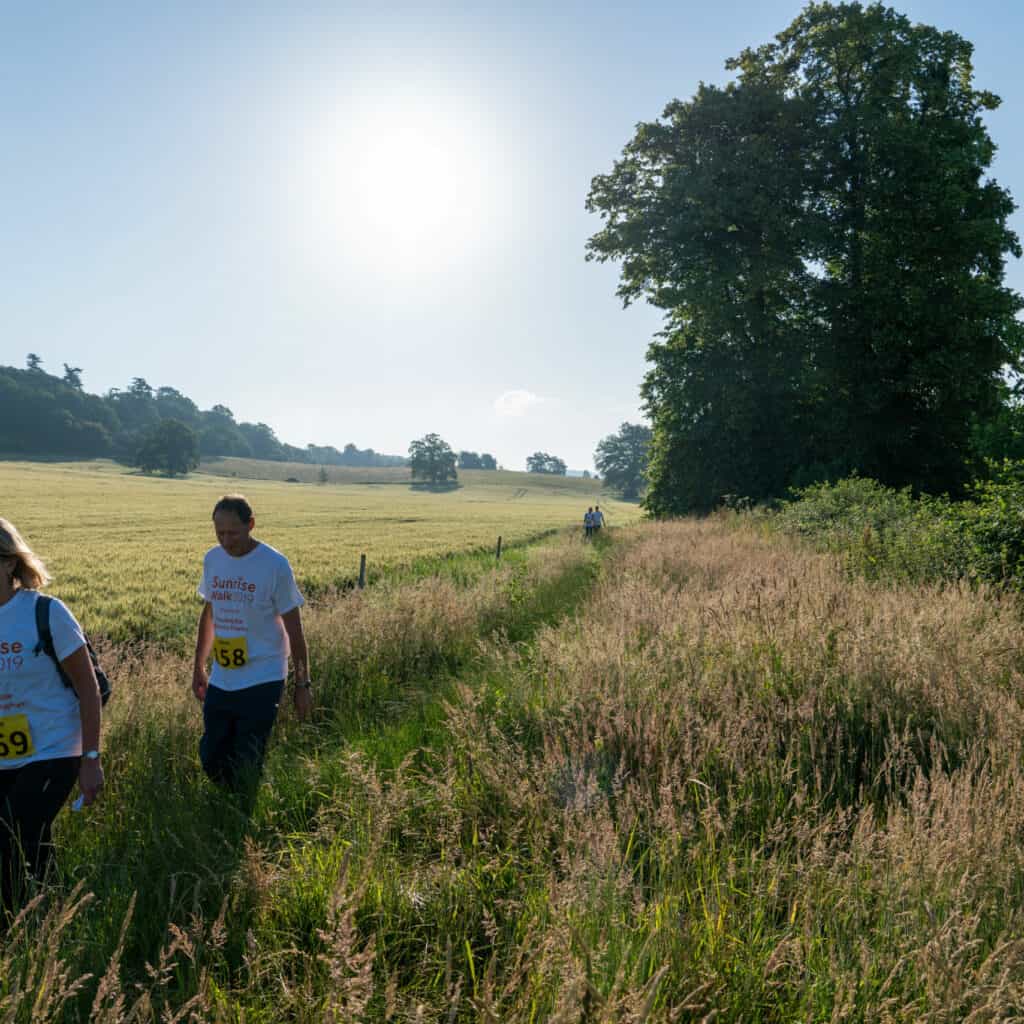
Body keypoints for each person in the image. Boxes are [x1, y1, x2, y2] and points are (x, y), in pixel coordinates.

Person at [0, 518, 104, 913]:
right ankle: (55, 917)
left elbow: (88, 688)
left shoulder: (46, 613)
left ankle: (14, 926)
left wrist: (91, 759)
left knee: (13, 833)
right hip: (5, 752)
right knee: (30, 840)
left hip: (54, 748)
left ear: (10, 564)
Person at [192, 495, 311, 792]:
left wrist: (302, 685)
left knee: (248, 756)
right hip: (224, 675)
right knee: (211, 754)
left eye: (233, 532)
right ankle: (230, 801)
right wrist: (198, 666)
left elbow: (295, 630)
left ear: (251, 525)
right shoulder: (213, 559)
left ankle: (242, 815)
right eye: (219, 532)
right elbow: (210, 613)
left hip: (264, 675)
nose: (226, 540)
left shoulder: (274, 565)